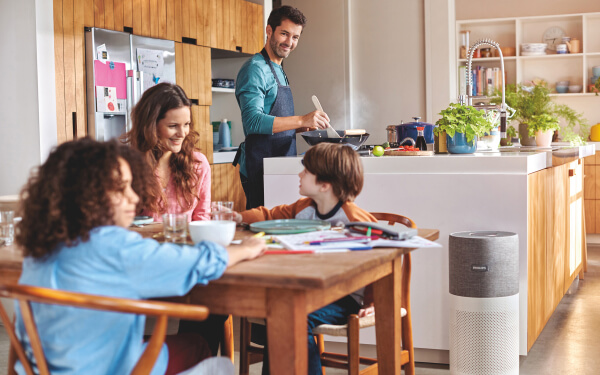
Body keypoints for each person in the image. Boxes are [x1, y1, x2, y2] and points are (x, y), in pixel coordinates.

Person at [14, 138, 266, 375]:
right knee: (200, 347)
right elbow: (199, 264)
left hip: (44, 367)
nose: (134, 198)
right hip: (107, 368)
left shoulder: (41, 246)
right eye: (121, 189)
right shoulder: (117, 247)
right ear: (88, 196)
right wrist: (246, 249)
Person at [234, 143, 377, 375]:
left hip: (345, 297)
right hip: (311, 292)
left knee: (293, 316)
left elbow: (381, 259)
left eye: (306, 170)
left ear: (324, 184)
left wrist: (372, 302)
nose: (300, 174)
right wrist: (239, 216)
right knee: (279, 314)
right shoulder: (304, 208)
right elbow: (270, 214)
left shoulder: (354, 219)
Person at [234, 5, 331, 209]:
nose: (289, 42)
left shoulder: (278, 68)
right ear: (269, 30)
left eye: (295, 37)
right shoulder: (255, 69)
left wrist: (299, 128)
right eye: (284, 34)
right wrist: (301, 119)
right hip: (261, 167)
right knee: (264, 228)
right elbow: (252, 122)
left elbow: (272, 123)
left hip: (280, 166)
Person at [123, 82, 211, 222]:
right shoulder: (126, 165)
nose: (182, 133)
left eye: (186, 124)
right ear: (151, 125)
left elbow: (202, 218)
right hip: (143, 243)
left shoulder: (198, 163)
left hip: (185, 243)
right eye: (173, 126)